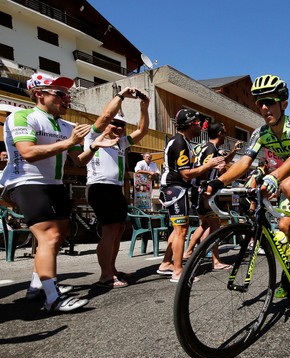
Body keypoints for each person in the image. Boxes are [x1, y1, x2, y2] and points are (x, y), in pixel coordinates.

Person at [0, 72, 116, 312]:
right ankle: (52, 298)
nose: (67, 99)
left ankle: (36, 285)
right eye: (60, 94)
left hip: (54, 184)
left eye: (68, 95)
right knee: (49, 236)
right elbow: (28, 152)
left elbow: (80, 161)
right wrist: (68, 141)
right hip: (25, 180)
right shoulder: (22, 116)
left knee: (59, 235)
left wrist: (95, 145)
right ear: (39, 94)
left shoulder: (65, 126)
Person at [206, 74, 290, 299]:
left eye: (269, 101)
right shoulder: (260, 133)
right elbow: (244, 162)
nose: (263, 107)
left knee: (289, 184)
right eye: (259, 103)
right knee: (283, 228)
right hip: (287, 177)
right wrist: (218, 181)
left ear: (284, 104)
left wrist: (275, 176)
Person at [84, 87, 150, 288]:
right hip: (99, 187)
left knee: (119, 228)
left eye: (122, 125)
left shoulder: (120, 142)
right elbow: (105, 115)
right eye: (115, 124)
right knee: (109, 229)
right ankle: (105, 276)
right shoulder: (92, 136)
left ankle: (112, 270)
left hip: (115, 189)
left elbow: (142, 131)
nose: (119, 128)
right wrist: (121, 96)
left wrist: (144, 107)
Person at [156, 109, 226, 283]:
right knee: (182, 230)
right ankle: (178, 272)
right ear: (189, 125)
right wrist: (208, 165)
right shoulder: (179, 142)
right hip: (175, 187)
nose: (201, 128)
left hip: (176, 187)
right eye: (197, 124)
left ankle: (166, 263)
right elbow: (186, 174)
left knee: (178, 229)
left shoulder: (184, 141)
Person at [183, 122, 240, 264]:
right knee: (214, 226)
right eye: (225, 132)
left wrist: (233, 151)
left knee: (206, 224)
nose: (226, 136)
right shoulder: (210, 148)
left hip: (198, 192)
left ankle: (188, 252)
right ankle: (216, 261)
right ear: (220, 133)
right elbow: (203, 169)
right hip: (203, 193)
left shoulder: (208, 147)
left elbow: (224, 161)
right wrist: (205, 188)